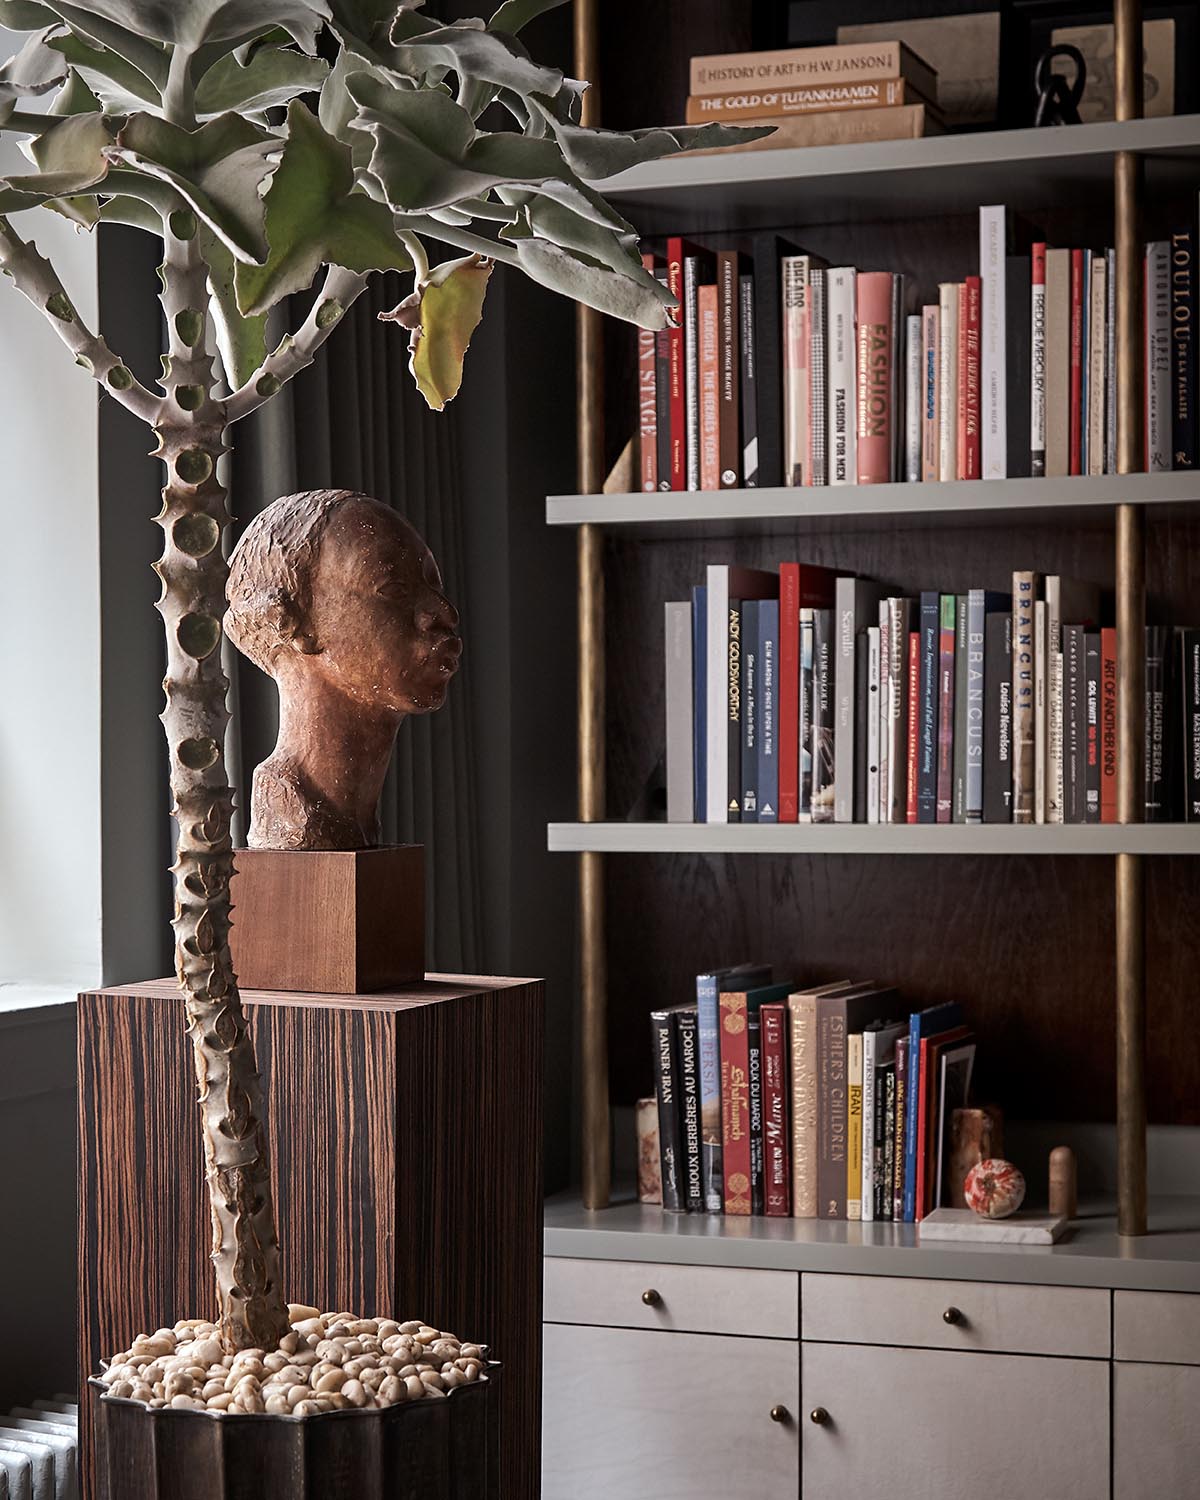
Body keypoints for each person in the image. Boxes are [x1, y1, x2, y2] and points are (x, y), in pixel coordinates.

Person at [226, 488, 461, 850]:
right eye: (394, 588)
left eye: (434, 585)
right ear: (295, 623)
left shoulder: (354, 820)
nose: (446, 614)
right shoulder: (291, 810)